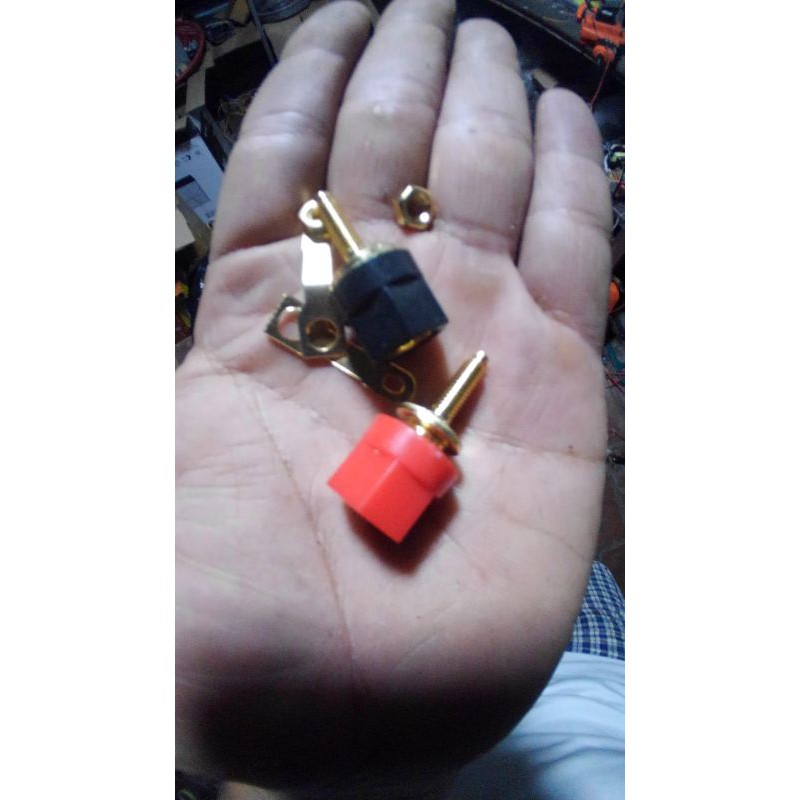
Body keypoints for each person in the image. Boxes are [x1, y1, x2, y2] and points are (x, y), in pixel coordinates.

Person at [175, 0, 622, 797]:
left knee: (577, 578)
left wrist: (304, 764)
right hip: (595, 692)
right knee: (585, 587)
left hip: (555, 691)